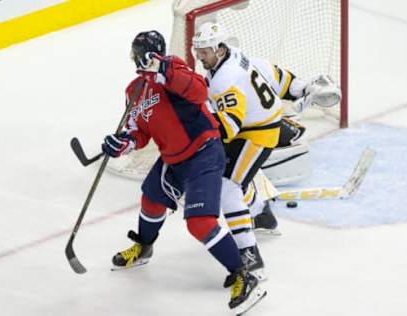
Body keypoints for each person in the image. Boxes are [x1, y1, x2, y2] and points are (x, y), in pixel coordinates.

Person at [101, 30, 266, 314]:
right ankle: (144, 247)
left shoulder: (174, 67)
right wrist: (123, 143)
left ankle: (243, 273)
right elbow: (138, 132)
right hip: (174, 158)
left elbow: (199, 91)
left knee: (199, 222)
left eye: (135, 53)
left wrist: (163, 70)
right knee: (151, 199)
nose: (132, 58)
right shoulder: (135, 90)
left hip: (203, 152)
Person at [192, 22, 341, 277]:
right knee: (233, 175)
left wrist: (194, 124)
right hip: (258, 124)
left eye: (204, 51)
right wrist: (302, 88)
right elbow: (276, 75)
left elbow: (229, 128)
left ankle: (249, 253)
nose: (199, 56)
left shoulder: (224, 80)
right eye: (198, 50)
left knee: (228, 187)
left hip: (258, 134)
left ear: (219, 49)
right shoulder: (239, 57)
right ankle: (261, 215)